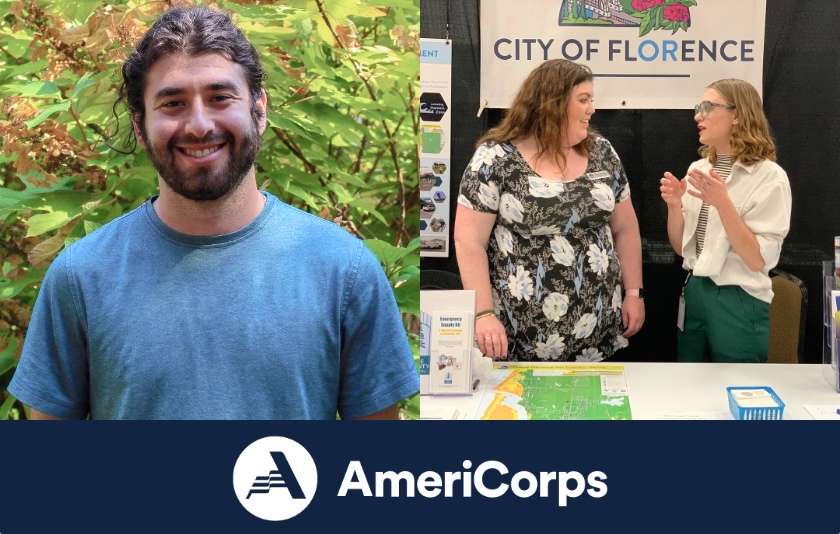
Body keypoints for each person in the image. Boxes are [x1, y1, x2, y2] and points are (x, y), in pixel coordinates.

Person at [8, 6, 418, 419]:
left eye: (220, 98)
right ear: (139, 124)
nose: (199, 125)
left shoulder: (344, 271)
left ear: (260, 109)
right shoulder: (81, 277)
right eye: (172, 103)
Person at [454, 59, 644, 362]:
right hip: (520, 336)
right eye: (583, 100)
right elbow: (468, 240)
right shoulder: (495, 158)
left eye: (591, 100)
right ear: (552, 103)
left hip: (597, 331)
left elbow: (625, 228)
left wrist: (635, 293)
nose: (591, 109)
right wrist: (483, 314)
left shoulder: (602, 153)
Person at [660, 78, 791, 363]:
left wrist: (723, 204)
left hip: (738, 298)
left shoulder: (769, 177)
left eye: (708, 106)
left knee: (739, 386)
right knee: (690, 385)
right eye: (698, 107)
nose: (698, 115)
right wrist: (674, 206)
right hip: (695, 290)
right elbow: (682, 249)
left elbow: (757, 261)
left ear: (737, 115)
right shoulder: (699, 168)